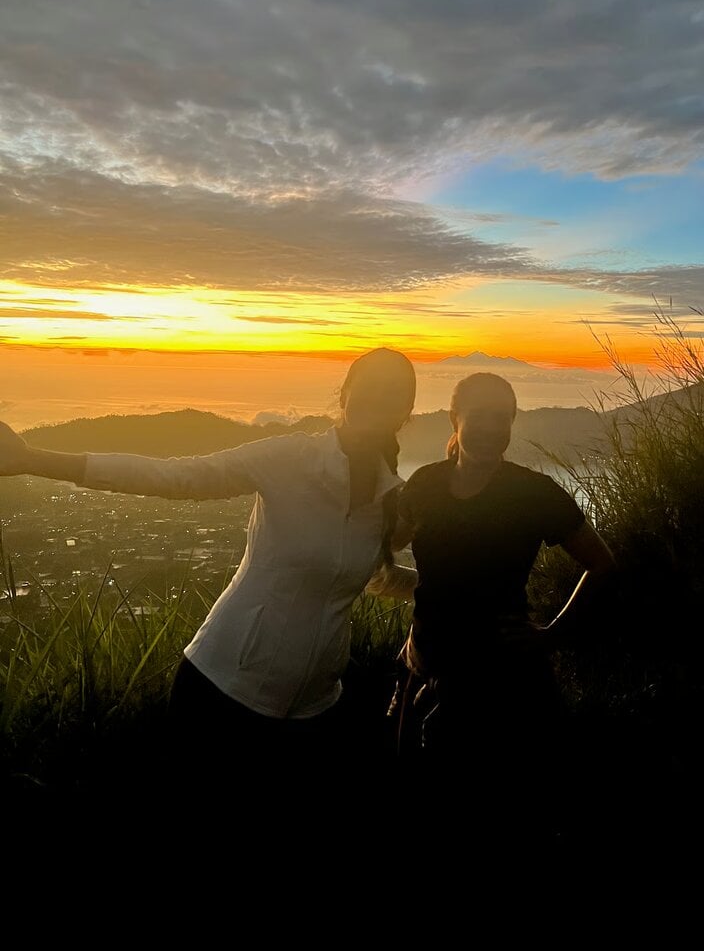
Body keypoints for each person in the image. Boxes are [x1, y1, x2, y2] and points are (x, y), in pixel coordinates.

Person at [0, 347, 418, 813]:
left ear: (406, 412)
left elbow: (373, 576)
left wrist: (464, 590)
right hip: (223, 689)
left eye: (392, 396)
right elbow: (176, 476)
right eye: (368, 391)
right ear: (344, 395)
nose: (378, 403)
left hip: (317, 706)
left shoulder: (389, 496)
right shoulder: (288, 457)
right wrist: (32, 458)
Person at [382, 371, 616, 832]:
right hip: (426, 663)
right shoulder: (426, 483)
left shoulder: (532, 493)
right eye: (479, 416)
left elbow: (603, 563)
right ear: (455, 418)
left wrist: (553, 635)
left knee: (497, 805)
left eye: (502, 418)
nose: (491, 428)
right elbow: (388, 545)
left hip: (501, 676)